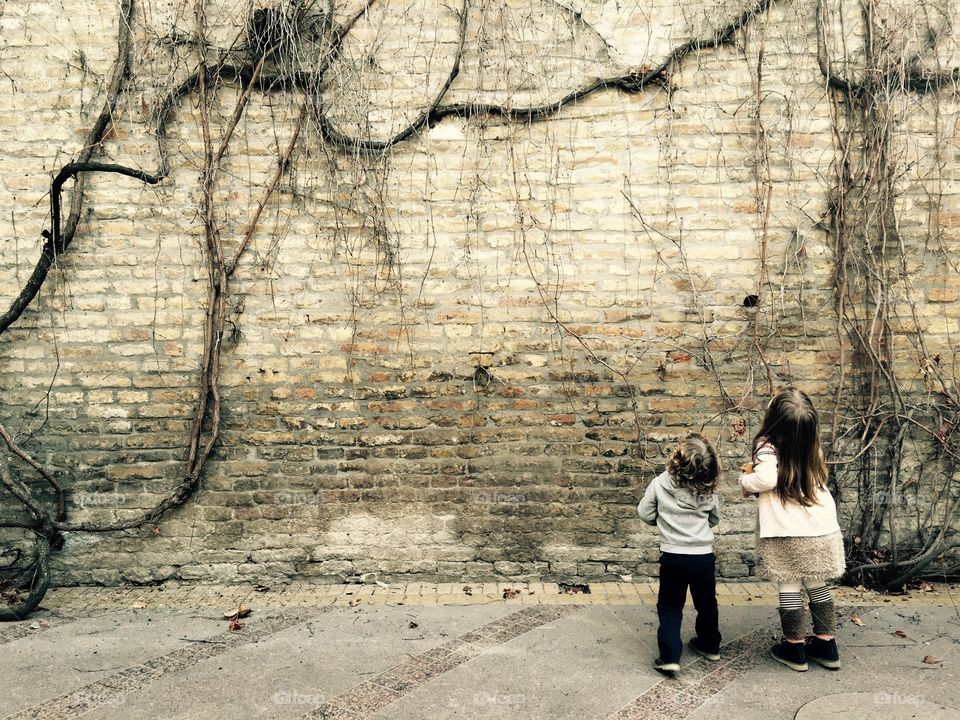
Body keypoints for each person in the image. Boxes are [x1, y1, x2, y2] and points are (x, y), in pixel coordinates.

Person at [740, 387, 845, 672]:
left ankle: (794, 646)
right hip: (821, 528)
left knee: (788, 584)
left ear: (774, 419)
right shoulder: (811, 445)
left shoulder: (767, 446)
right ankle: (826, 643)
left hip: (788, 531)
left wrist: (745, 482)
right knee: (816, 582)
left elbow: (766, 479)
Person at [638, 433, 722, 674]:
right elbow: (714, 518)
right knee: (706, 603)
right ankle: (710, 645)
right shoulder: (708, 488)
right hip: (703, 557)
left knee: (670, 606)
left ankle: (670, 656)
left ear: (676, 459)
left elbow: (644, 513)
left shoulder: (659, 484)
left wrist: (663, 523)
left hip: (672, 556)